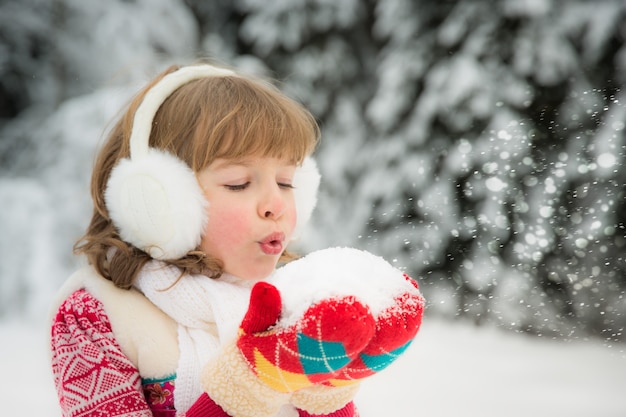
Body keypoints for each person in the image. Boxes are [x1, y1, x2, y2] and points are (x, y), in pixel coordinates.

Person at [49, 63, 424, 417]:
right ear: (159, 199)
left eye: (287, 182)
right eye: (239, 183)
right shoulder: (96, 316)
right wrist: (247, 387)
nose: (276, 204)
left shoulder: (289, 302)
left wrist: (326, 389)